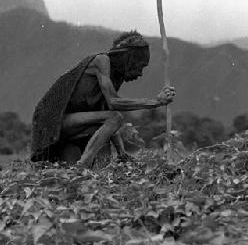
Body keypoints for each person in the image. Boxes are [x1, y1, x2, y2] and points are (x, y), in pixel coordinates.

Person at [31, 30, 176, 167]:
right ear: (130, 59)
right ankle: (82, 166)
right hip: (59, 123)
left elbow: (106, 119)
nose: (140, 73)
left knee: (99, 164)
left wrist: (121, 152)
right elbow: (113, 105)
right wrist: (156, 101)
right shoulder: (102, 61)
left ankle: (81, 166)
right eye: (141, 66)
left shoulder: (114, 77)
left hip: (75, 129)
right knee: (116, 117)